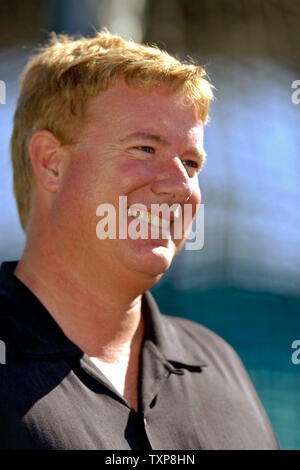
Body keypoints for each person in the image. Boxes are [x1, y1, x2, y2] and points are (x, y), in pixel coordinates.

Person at [0, 31, 279, 450]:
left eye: (190, 162)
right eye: (145, 148)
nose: (181, 187)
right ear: (51, 163)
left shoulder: (220, 366)